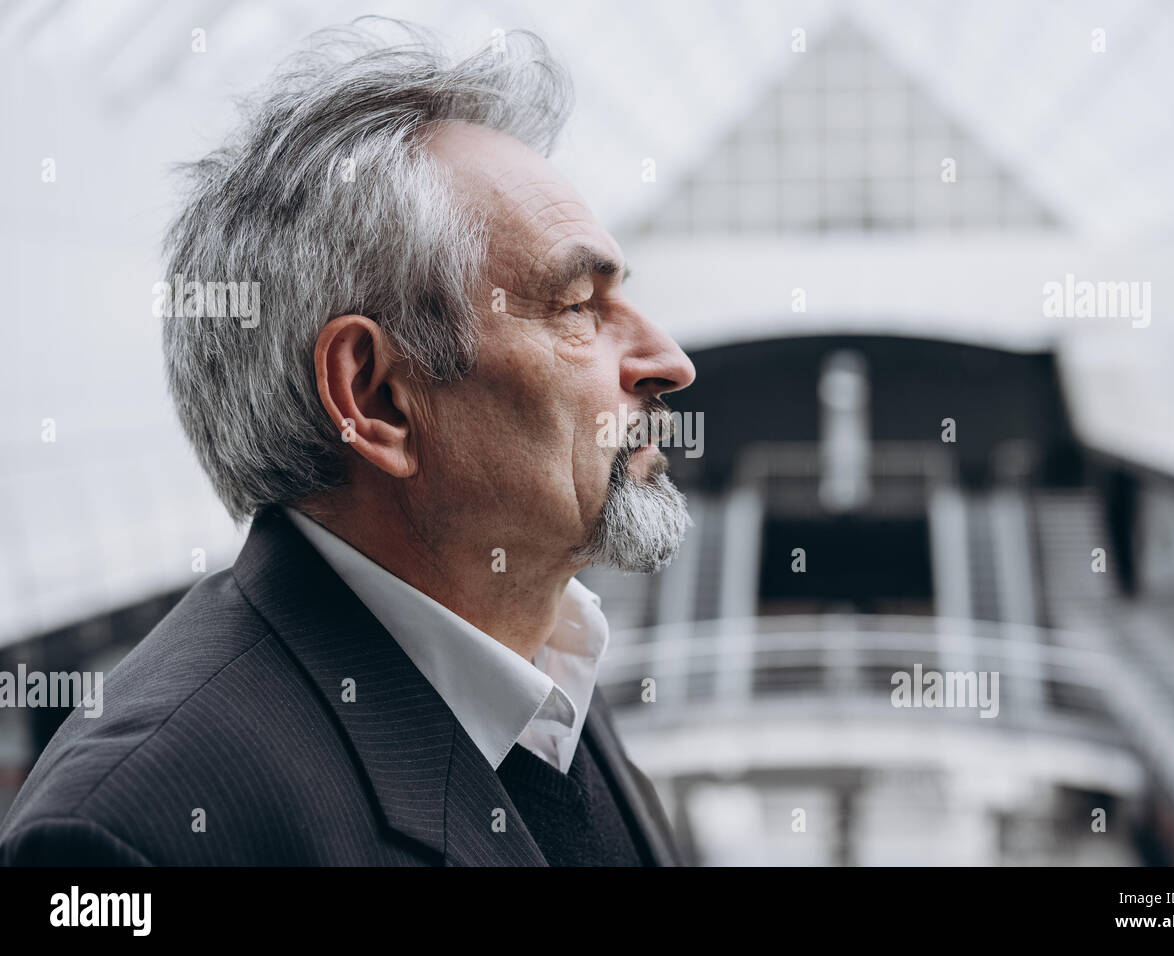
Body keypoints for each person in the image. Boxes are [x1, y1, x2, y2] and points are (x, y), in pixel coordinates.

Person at [0, 20, 695, 866]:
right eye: (579, 305)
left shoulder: (544, 670)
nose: (671, 362)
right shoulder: (134, 834)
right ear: (377, 398)